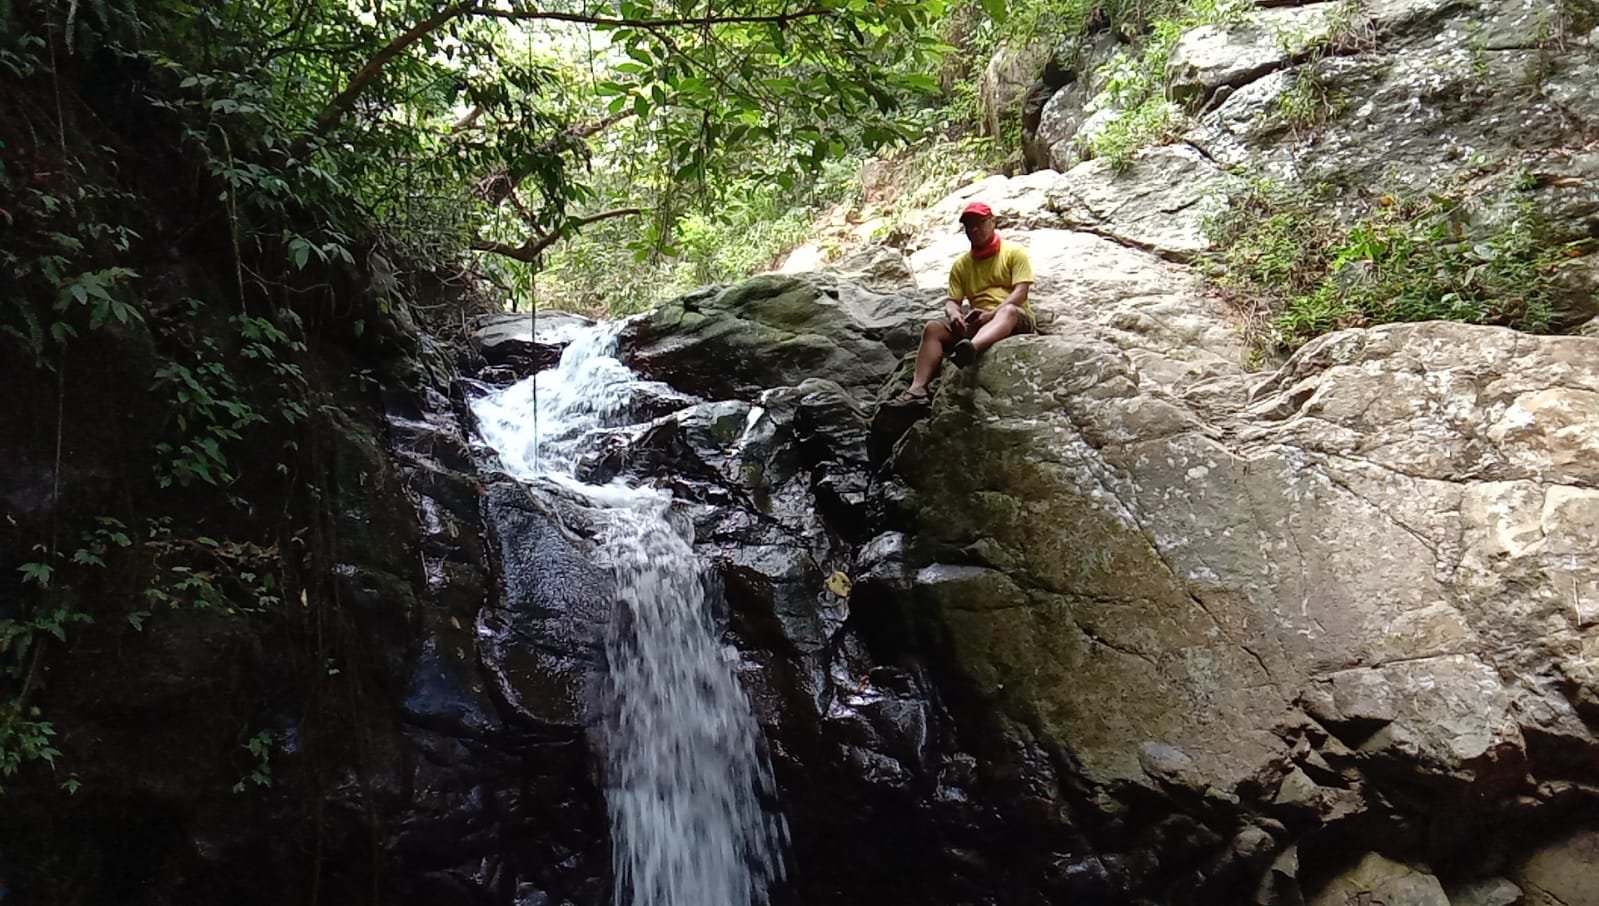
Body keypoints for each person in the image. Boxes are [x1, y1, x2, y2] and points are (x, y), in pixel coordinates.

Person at [891, 201, 1035, 405]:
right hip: (980, 323)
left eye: (980, 223)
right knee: (933, 328)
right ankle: (917, 389)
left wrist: (992, 314)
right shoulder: (961, 265)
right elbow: (952, 301)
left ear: (992, 222)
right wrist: (955, 315)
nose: (974, 229)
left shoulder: (1013, 252)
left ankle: (970, 349)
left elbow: (1021, 291)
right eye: (969, 226)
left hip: (1012, 319)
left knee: (1009, 311)